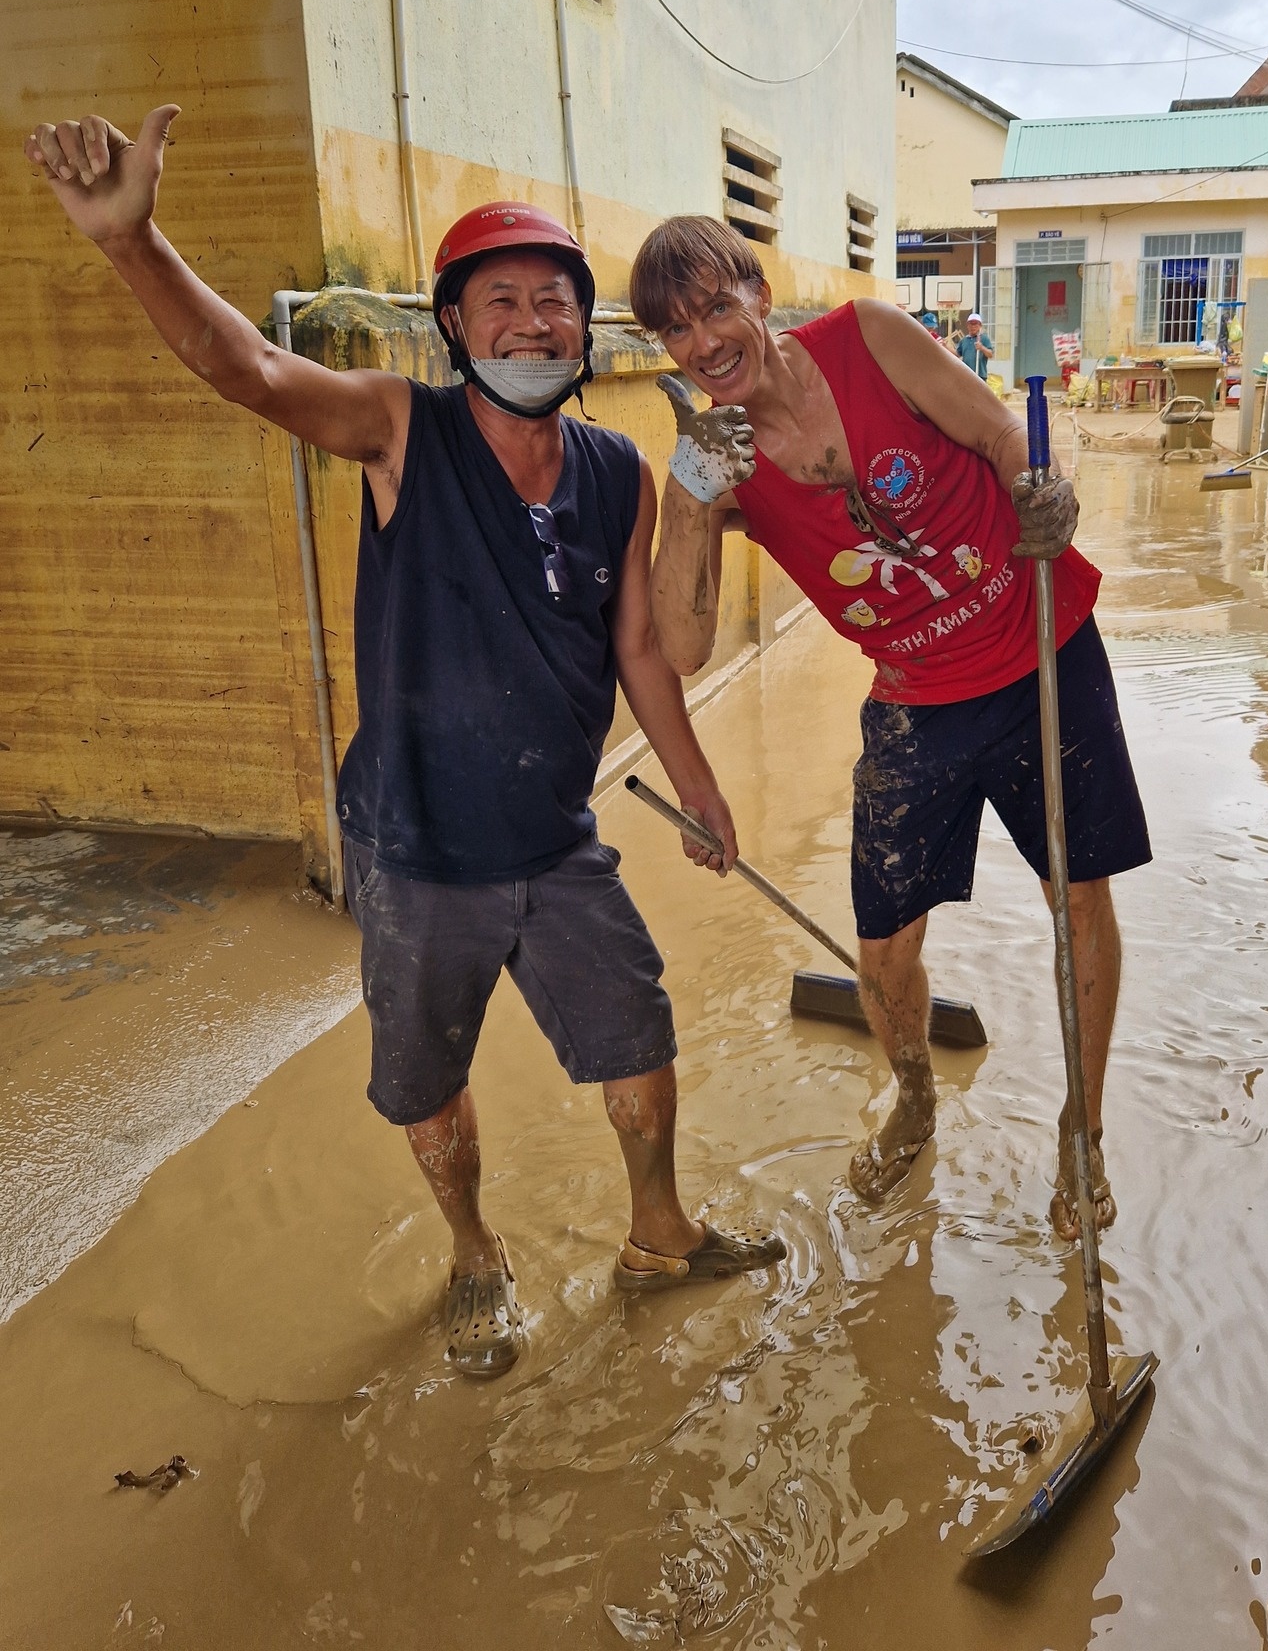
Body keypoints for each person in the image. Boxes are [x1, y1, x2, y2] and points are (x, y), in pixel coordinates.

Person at [22, 108, 785, 1381]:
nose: (532, 323)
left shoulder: (618, 472)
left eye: (555, 301)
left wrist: (701, 787)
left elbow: (644, 650)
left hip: (557, 835)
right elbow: (250, 372)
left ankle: (659, 1232)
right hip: (418, 848)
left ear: (581, 328)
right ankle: (474, 1250)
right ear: (453, 327)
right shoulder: (396, 428)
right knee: (430, 1077)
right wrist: (132, 241)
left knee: (638, 1041)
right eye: (502, 301)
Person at [630, 217, 1151, 1235]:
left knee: (1077, 900)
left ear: (758, 295)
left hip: (1042, 641)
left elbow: (1001, 432)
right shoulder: (713, 459)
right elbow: (681, 645)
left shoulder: (869, 337)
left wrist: (1042, 488)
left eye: (716, 307)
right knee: (882, 952)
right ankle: (913, 1092)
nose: (703, 342)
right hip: (916, 698)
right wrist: (691, 496)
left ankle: (1080, 1126)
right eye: (676, 331)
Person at [953, 310, 994, 379]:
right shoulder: (964, 340)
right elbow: (957, 354)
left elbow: (990, 354)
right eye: (971, 324)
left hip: (980, 375)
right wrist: (945, 347)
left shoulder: (984, 338)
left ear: (980, 325)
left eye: (975, 324)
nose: (973, 326)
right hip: (966, 375)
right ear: (967, 326)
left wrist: (982, 348)